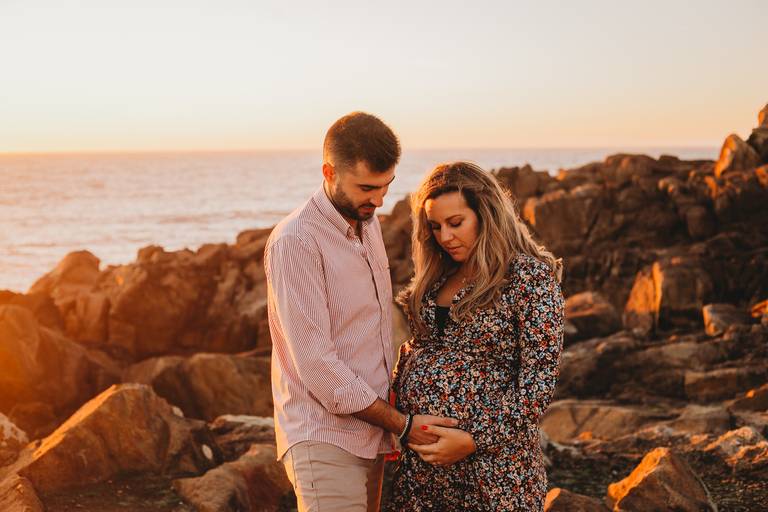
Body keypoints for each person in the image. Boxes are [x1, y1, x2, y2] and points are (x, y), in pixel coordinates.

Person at [264, 112, 461, 512]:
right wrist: (403, 425)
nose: (379, 200)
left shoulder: (364, 223)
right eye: (367, 187)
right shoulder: (296, 242)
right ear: (329, 172)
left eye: (386, 186)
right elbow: (318, 367)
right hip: (323, 438)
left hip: (370, 431)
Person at [386, 162, 565, 511]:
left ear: (486, 214)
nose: (445, 237)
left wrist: (473, 439)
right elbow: (419, 352)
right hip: (425, 472)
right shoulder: (437, 278)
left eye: (456, 223)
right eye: (435, 226)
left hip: (492, 469)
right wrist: (400, 419)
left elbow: (537, 384)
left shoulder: (528, 278)